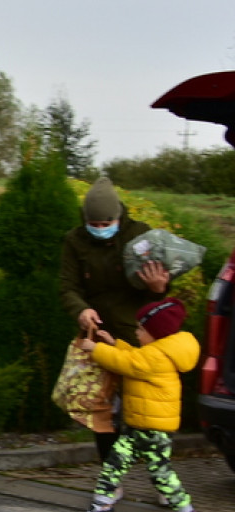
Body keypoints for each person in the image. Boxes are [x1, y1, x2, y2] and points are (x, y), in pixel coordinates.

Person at [59, 176, 169, 463]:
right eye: (93, 225)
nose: (99, 230)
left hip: (137, 334)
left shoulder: (141, 236)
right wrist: (80, 309)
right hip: (99, 335)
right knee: (102, 410)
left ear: (117, 218)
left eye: (105, 225)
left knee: (144, 410)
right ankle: (111, 476)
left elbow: (162, 292)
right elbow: (68, 286)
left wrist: (159, 287)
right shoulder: (74, 240)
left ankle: (159, 476)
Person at [75, 298, 200, 512]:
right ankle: (102, 502)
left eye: (141, 329)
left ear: (156, 334)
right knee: (115, 461)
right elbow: (134, 358)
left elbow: (128, 363)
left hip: (154, 429)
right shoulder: (156, 353)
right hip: (138, 426)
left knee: (160, 473)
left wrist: (97, 350)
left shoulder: (156, 357)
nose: (137, 332)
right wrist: (115, 344)